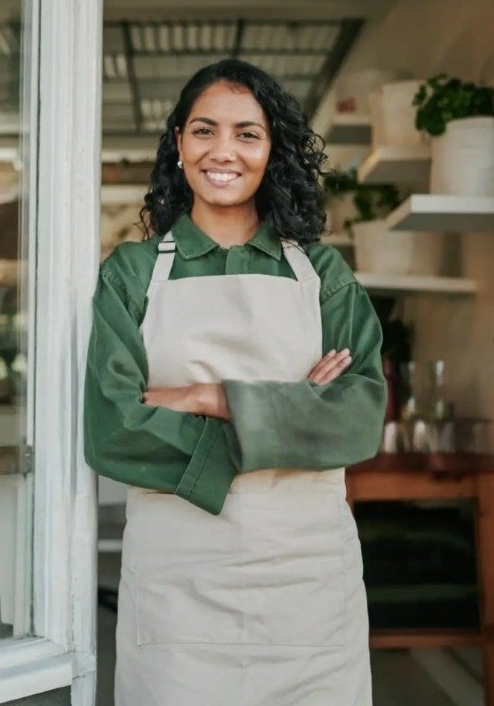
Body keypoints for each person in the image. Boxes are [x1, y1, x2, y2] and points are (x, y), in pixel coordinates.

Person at [84, 59, 386, 705]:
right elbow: (112, 429)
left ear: (272, 150)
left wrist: (210, 398)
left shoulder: (323, 273)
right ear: (179, 144)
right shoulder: (133, 273)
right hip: (179, 575)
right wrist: (291, 413)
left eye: (247, 133)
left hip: (304, 576)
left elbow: (358, 416)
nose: (223, 151)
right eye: (204, 130)